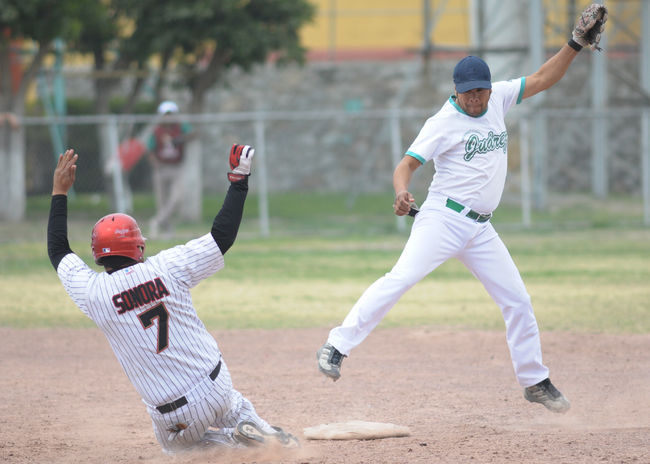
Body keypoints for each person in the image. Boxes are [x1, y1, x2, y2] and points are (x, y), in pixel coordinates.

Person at [317, 4, 608, 414]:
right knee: (400, 278)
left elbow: (544, 77)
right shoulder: (442, 122)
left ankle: (535, 381)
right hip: (443, 218)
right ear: (455, 90)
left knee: (518, 301)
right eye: (468, 91)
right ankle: (336, 346)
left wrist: (575, 44)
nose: (476, 97)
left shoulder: (499, 98)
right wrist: (402, 192)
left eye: (481, 90)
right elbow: (407, 165)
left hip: (481, 229)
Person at [48, 145, 299, 454]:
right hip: (215, 384)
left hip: (174, 414)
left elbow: (58, 250)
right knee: (232, 404)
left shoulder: (93, 293)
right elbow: (222, 236)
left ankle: (234, 445)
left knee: (179, 450)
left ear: (98, 254)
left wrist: (59, 192)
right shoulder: (168, 267)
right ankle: (266, 435)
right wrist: (239, 180)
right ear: (137, 247)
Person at [148, 100, 195, 238]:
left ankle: (156, 221)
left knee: (177, 198)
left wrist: (180, 139)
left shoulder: (180, 128)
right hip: (161, 168)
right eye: (166, 114)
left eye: (171, 114)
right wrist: (155, 163)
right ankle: (167, 230)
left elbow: (192, 134)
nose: (168, 117)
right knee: (161, 201)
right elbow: (150, 149)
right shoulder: (157, 130)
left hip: (176, 167)